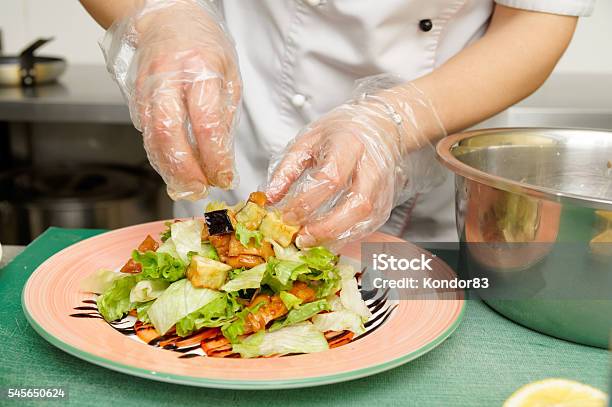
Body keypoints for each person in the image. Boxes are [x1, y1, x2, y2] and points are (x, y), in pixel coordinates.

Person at [80, 0, 593, 248]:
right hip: (243, 120)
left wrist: (395, 120)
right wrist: (161, 16)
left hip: (431, 152)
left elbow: (537, 17)